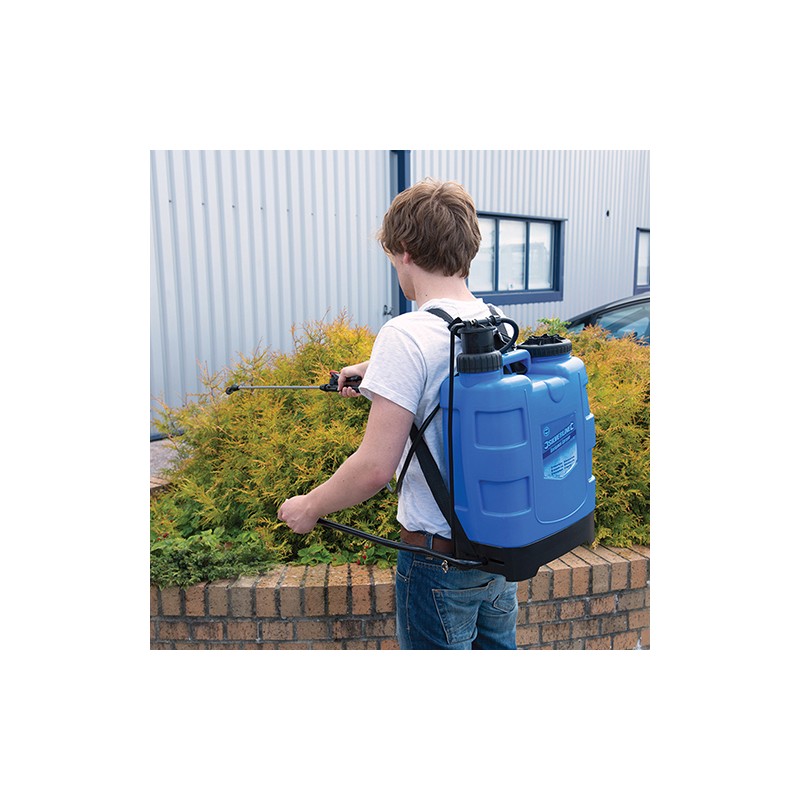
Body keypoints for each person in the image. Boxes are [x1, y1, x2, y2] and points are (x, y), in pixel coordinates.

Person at [278, 179, 518, 649]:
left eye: (392, 259)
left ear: (405, 251)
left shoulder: (405, 334)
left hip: (437, 563)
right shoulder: (494, 321)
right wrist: (375, 371)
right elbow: (453, 372)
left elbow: (374, 468)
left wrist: (310, 506)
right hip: (497, 559)